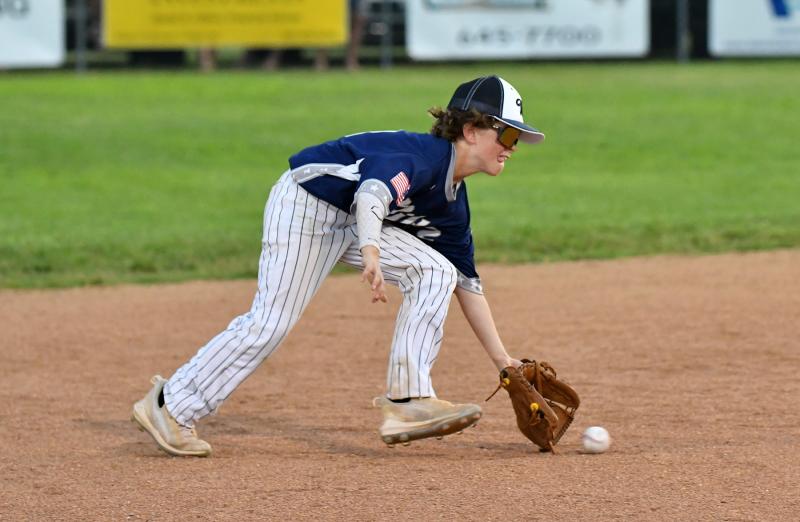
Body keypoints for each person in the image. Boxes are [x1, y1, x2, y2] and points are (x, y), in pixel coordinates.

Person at [131, 75, 546, 457]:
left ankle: (408, 401)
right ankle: (172, 404)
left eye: (518, 137)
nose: (512, 146)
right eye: (506, 132)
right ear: (471, 130)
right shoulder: (421, 157)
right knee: (269, 323)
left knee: (437, 271)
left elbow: (467, 285)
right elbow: (371, 194)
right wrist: (371, 250)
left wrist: (504, 363)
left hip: (352, 220)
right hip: (305, 205)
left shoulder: (452, 205)